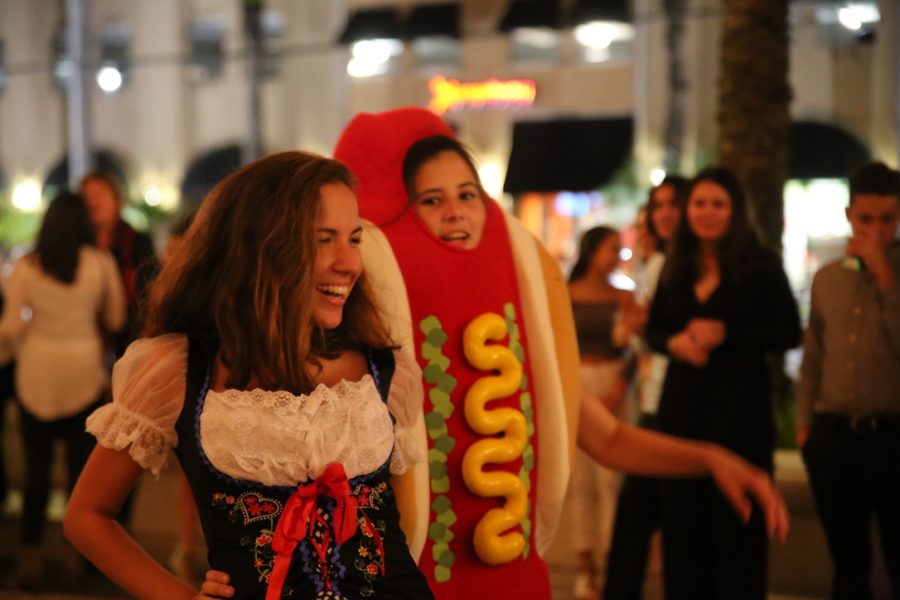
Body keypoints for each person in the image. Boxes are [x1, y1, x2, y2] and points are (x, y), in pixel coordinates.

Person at [324, 108, 788, 599]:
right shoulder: (360, 349)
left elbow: (607, 438)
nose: (456, 211)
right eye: (431, 200)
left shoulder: (524, 335)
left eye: (468, 195)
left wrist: (713, 460)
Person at [64, 151, 434, 599]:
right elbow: (87, 516)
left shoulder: (384, 369)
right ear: (261, 249)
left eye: (353, 239)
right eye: (322, 240)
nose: (350, 263)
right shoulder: (178, 371)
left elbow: (406, 519)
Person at [646, 166, 801, 599]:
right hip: (682, 415)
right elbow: (654, 330)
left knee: (739, 544)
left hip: (740, 418)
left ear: (735, 210)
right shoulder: (675, 265)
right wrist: (673, 343)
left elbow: (788, 331)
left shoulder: (760, 264)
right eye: (699, 203)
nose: (707, 213)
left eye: (718, 204)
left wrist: (727, 334)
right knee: (682, 539)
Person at [0, 192, 125, 587]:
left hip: (36, 374)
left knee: (36, 473)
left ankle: (32, 554)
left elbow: (13, 326)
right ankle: (81, 557)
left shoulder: (25, 267)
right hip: (84, 372)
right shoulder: (101, 263)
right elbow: (117, 316)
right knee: (80, 472)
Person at [796, 161, 900, 600]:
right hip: (833, 434)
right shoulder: (826, 279)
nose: (876, 229)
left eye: (888, 220)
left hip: (893, 434)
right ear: (849, 216)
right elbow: (813, 358)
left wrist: (886, 280)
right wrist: (806, 427)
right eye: (866, 219)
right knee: (847, 562)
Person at [604, 175, 688, 600]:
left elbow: (641, 330)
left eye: (674, 204)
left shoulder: (690, 264)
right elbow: (635, 333)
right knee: (636, 516)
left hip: (681, 403)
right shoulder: (656, 265)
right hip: (654, 400)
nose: (665, 213)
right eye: (658, 206)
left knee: (654, 519)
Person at [565, 226, 639, 599]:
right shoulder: (566, 293)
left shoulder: (624, 296)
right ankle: (585, 569)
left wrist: (619, 386)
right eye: (612, 248)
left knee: (611, 479)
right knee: (580, 481)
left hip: (613, 381)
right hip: (577, 381)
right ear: (592, 250)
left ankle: (612, 563)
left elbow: (634, 348)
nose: (617, 256)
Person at [80, 171, 160, 361]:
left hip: (131, 336)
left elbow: (149, 292)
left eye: (99, 194)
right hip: (87, 337)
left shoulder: (137, 241)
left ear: (117, 200)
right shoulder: (79, 246)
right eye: (86, 196)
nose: (92, 202)